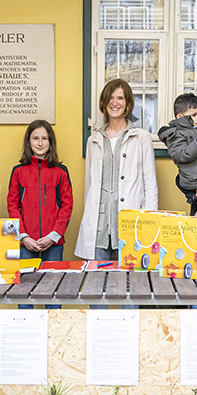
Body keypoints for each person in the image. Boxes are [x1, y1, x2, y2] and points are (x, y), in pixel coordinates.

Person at [75, 78, 157, 261]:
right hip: (99, 224)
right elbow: (90, 185)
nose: (115, 103)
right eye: (110, 98)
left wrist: (149, 221)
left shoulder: (141, 137)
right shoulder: (93, 140)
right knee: (96, 282)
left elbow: (150, 183)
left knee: (130, 282)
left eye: (120, 98)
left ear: (127, 104)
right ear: (104, 103)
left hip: (130, 220)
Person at [7, 120, 73, 309]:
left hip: (53, 244)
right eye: (35, 138)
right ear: (28, 142)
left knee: (52, 292)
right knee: (25, 294)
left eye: (44, 138)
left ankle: (53, 335)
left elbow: (67, 206)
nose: (40, 143)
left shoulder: (61, 172)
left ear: (51, 142)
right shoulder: (18, 171)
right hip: (25, 244)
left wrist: (53, 236)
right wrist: (24, 236)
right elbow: (12, 206)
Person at [157, 93, 197, 215]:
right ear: (180, 116)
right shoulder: (175, 134)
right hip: (195, 178)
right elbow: (181, 155)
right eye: (193, 115)